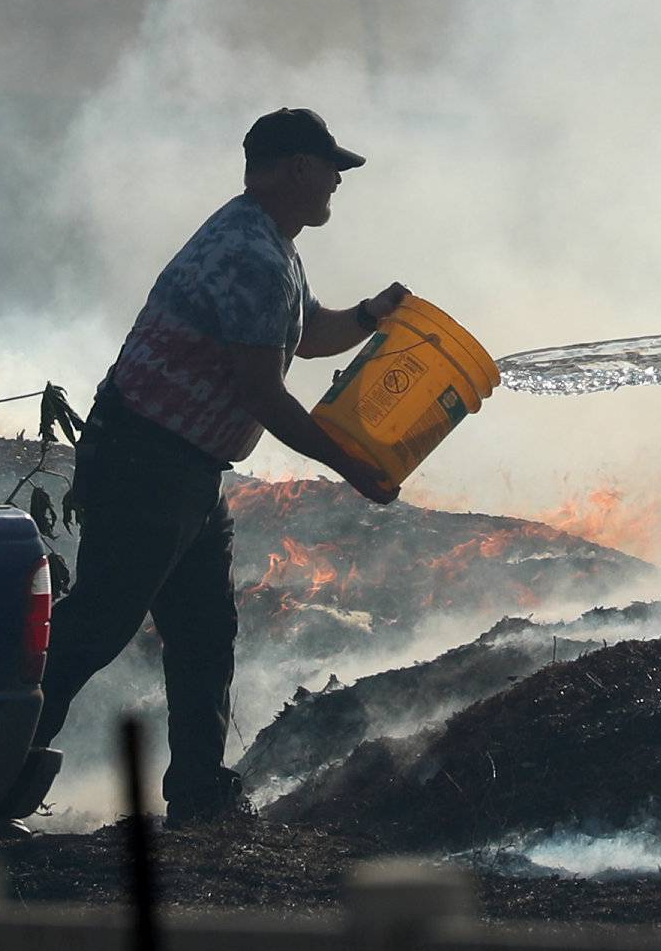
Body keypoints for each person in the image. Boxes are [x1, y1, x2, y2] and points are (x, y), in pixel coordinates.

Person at [34, 107, 407, 828]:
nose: (337, 183)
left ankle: (200, 795)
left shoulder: (268, 245)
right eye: (332, 168)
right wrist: (352, 465)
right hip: (149, 457)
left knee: (204, 630)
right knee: (102, 621)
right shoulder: (253, 256)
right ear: (299, 167)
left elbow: (304, 335)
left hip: (178, 461)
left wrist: (370, 314)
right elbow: (263, 391)